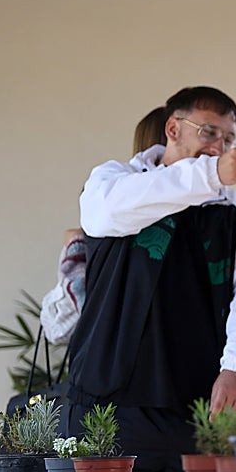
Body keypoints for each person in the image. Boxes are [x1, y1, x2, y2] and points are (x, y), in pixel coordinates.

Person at [66, 85, 236, 472]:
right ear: (173, 128)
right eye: (209, 133)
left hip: (195, 409)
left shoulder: (233, 211)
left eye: (229, 139)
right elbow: (108, 212)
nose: (219, 148)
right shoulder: (115, 181)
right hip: (109, 405)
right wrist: (212, 174)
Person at [40, 106, 170, 345]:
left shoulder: (114, 200)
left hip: (113, 366)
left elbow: (59, 325)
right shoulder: (117, 194)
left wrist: (79, 241)